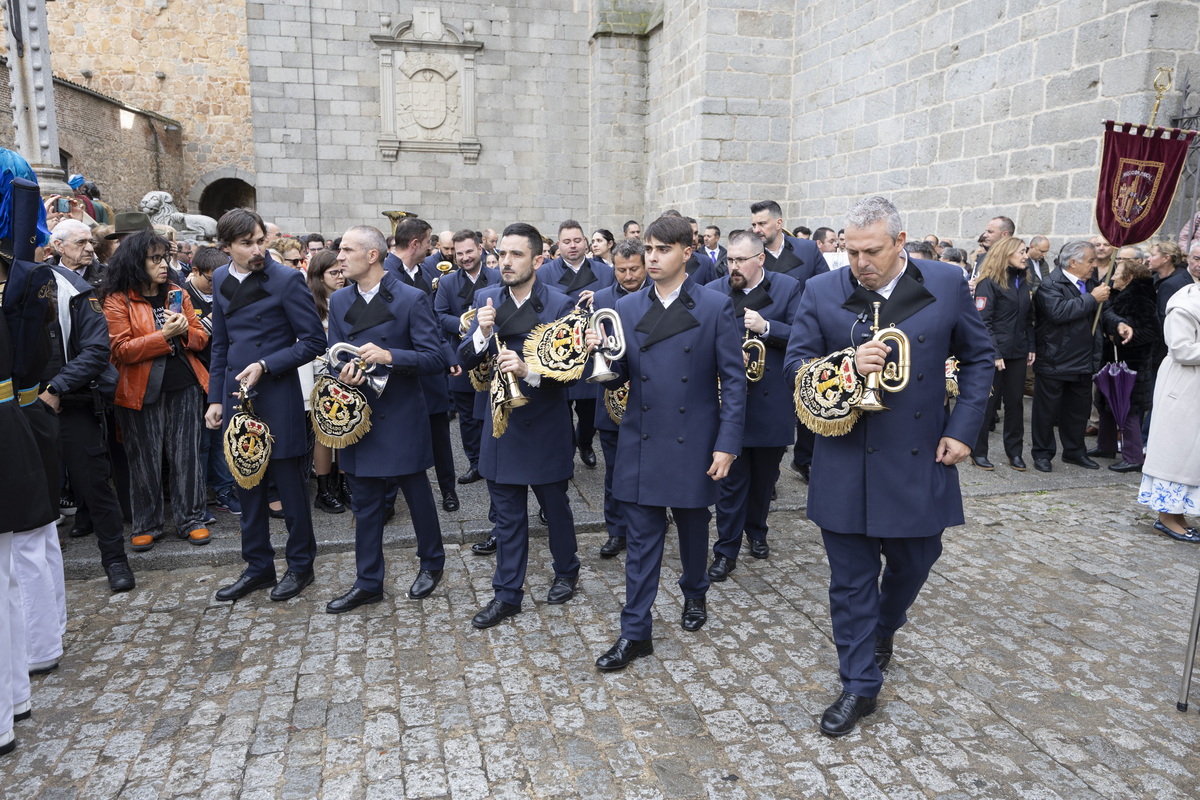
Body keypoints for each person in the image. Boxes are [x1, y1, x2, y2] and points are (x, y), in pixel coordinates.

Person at [784, 195, 994, 736]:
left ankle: (885, 626)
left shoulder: (946, 284)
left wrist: (963, 430)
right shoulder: (820, 290)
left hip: (921, 453)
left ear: (901, 242)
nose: (860, 263)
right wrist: (845, 367)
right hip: (845, 458)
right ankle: (858, 684)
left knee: (917, 560)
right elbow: (795, 364)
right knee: (850, 581)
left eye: (872, 251)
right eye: (851, 252)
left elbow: (976, 357)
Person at [588, 214, 746, 671]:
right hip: (642, 436)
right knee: (640, 541)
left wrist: (727, 442)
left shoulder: (715, 307)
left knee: (695, 531)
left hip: (695, 438)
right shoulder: (628, 308)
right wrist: (600, 353)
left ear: (687, 252)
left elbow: (733, 382)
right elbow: (616, 376)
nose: (652, 258)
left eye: (662, 250)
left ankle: (695, 593)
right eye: (648, 250)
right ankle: (635, 632)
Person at [458, 223, 580, 629]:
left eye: (516, 255)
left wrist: (530, 369)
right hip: (502, 423)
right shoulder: (486, 297)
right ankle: (507, 594)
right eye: (501, 255)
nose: (505, 263)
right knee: (507, 517)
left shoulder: (561, 304)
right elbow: (464, 358)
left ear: (538, 260)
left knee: (555, 508)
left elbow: (573, 372)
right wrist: (483, 334)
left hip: (545, 423)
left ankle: (566, 570)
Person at [323, 226, 448, 611]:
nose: (339, 257)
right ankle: (368, 581)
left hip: (401, 414)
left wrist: (391, 356)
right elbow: (335, 355)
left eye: (346, 250)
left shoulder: (411, 298)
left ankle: (432, 562)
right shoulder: (340, 300)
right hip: (359, 415)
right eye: (338, 250)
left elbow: (435, 359)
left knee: (417, 495)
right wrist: (341, 373)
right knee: (364, 502)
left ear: (372, 255)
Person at [205, 208, 327, 603]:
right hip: (237, 400)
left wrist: (265, 364)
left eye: (261, 240)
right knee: (248, 489)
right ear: (226, 248)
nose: (258, 249)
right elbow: (221, 344)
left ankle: (300, 566)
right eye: (247, 244)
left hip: (278, 395)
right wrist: (215, 399)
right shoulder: (221, 277)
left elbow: (313, 341)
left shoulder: (287, 279)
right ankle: (257, 567)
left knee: (290, 490)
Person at [103, 229, 211, 548]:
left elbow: (201, 338)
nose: (164, 264)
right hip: (139, 390)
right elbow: (120, 350)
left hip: (185, 384)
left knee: (186, 456)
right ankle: (146, 523)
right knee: (143, 458)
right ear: (137, 262)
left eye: (166, 257)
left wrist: (184, 333)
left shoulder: (177, 292)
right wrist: (163, 336)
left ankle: (191, 519)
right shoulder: (117, 297)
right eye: (155, 258)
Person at [708, 230, 801, 579]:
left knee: (764, 479)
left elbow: (804, 336)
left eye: (739, 261)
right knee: (731, 482)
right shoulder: (714, 291)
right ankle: (725, 550)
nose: (732, 267)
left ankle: (757, 531)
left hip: (770, 403)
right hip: (727, 404)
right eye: (729, 260)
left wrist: (767, 327)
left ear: (760, 260)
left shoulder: (788, 287)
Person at [1031, 241, 1134, 472]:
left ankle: (1074, 451)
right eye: (1090, 261)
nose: (1094, 266)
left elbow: (1102, 310)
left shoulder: (1090, 284)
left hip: (1084, 359)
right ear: (1073, 262)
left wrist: (1118, 324)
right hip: (1055, 358)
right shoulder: (1050, 284)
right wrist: (1091, 298)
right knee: (1046, 412)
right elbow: (1058, 312)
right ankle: (1042, 453)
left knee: (1077, 411)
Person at [749, 200, 828, 482]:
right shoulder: (750, 253)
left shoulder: (807, 250)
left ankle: (804, 459)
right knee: (772, 407)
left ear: (779, 223)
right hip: (764, 338)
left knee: (808, 398)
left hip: (804, 333)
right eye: (754, 224)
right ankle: (767, 474)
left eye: (762, 224)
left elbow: (825, 286)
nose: (757, 229)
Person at [385, 217, 461, 512]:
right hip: (398, 370)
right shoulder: (384, 271)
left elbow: (430, 321)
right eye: (430, 242)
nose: (433, 248)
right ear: (416, 243)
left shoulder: (425, 271)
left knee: (440, 435)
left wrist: (448, 356)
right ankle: (388, 501)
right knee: (397, 438)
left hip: (428, 368)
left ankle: (448, 491)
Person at [582, 238, 649, 559]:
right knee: (615, 471)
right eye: (621, 270)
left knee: (649, 465)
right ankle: (616, 530)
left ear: (646, 264)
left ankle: (649, 520)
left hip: (650, 397)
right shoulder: (601, 299)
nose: (628, 276)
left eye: (634, 269)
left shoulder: (657, 296)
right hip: (610, 395)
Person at [538, 219, 615, 469]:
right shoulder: (544, 273)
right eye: (567, 242)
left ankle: (585, 442)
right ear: (558, 245)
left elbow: (618, 302)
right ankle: (565, 453)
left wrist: (601, 298)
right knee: (560, 410)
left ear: (586, 243)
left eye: (577, 240)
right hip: (561, 351)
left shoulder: (605, 271)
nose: (573, 246)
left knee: (590, 409)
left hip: (594, 351)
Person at [434, 229, 500, 490]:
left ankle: (492, 456)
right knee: (466, 414)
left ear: (480, 249)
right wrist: (467, 327)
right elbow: (438, 315)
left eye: (469, 251)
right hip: (463, 356)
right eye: (459, 253)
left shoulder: (497, 277)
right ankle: (474, 461)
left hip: (493, 357)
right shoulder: (447, 282)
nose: (464, 257)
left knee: (492, 410)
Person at [1138, 279, 1200, 541]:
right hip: (1184, 386)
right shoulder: (1185, 305)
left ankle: (1180, 515)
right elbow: (1181, 349)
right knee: (1177, 452)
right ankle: (1166, 518)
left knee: (1192, 456)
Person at [185, 247, 242, 518]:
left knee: (221, 438)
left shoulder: (228, 290)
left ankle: (223, 491)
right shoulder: (182, 295)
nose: (216, 283)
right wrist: (210, 322)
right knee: (200, 443)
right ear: (194, 271)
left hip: (222, 377)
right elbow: (185, 337)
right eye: (211, 279)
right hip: (194, 378)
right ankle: (197, 497)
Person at [969, 237, 1035, 471]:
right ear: (1006, 254)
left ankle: (1014, 453)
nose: (1025, 256)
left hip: (1017, 352)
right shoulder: (989, 282)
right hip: (993, 353)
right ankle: (977, 451)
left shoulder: (1024, 281)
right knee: (987, 403)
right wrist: (995, 353)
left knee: (1015, 403)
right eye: (1021, 252)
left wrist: (1031, 346)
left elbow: (1028, 318)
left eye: (1025, 251)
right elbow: (983, 321)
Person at [1090, 254, 1160, 473]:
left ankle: (1133, 457)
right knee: (1107, 406)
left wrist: (1120, 338)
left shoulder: (1140, 298)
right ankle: (1106, 447)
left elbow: (1152, 331)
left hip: (1132, 365)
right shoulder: (1119, 294)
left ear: (1129, 277)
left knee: (1128, 410)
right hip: (1113, 361)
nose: (1113, 279)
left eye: (1117, 274)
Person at [305, 249, 348, 513]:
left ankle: (343, 484)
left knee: (345, 431)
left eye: (342, 271)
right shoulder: (311, 303)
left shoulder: (347, 299)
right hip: (319, 374)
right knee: (323, 435)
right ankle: (323, 489)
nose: (341, 277)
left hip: (344, 372)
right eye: (334, 273)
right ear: (319, 278)